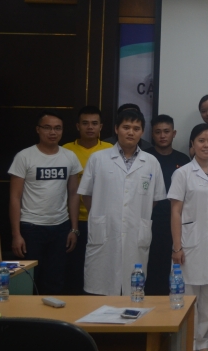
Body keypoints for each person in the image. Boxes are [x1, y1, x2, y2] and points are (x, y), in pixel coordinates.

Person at [78, 108, 167, 295]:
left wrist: (133, 212)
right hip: (105, 231)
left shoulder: (151, 162)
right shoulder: (98, 158)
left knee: (132, 290)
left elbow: (155, 199)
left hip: (136, 231)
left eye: (136, 128)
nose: (131, 132)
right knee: (100, 289)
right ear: (116, 129)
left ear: (142, 132)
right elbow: (86, 194)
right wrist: (102, 215)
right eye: (126, 127)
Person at [169, 124, 208, 350]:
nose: (206, 145)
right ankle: (187, 343)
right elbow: (175, 211)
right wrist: (177, 247)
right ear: (192, 144)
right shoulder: (183, 173)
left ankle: (202, 342)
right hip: (190, 244)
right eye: (201, 141)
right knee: (188, 297)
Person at [8, 110, 82, 295]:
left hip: (60, 227)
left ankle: (51, 313)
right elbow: (15, 197)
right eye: (47, 127)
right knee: (29, 281)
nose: (53, 132)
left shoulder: (69, 156)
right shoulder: (24, 156)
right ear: (38, 129)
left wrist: (74, 229)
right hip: (31, 227)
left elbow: (74, 193)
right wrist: (16, 234)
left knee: (55, 280)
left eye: (58, 128)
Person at [62, 106, 113, 294]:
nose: (90, 127)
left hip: (104, 221)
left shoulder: (110, 150)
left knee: (101, 269)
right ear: (78, 126)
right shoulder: (66, 150)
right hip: (74, 221)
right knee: (75, 270)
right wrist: (73, 227)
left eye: (94, 123)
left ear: (101, 126)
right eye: (85, 123)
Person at [145, 115, 190, 296]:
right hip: (150, 219)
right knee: (151, 264)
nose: (162, 136)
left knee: (172, 265)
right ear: (152, 134)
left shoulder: (183, 159)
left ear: (174, 133)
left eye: (166, 131)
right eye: (158, 132)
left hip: (176, 221)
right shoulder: (145, 157)